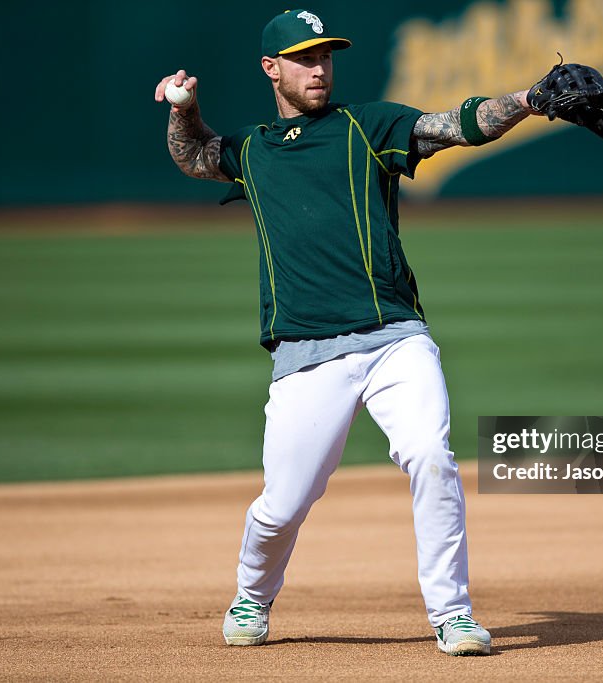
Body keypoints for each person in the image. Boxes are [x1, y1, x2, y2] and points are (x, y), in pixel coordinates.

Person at [154, 8, 547, 656]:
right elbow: (194, 154)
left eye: (326, 56)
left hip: (396, 337)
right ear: (270, 68)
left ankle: (452, 613)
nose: (319, 68)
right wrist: (182, 107)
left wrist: (528, 100)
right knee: (282, 505)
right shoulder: (253, 150)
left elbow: (455, 126)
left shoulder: (367, 126)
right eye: (305, 57)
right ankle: (253, 591)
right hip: (307, 353)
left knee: (430, 454)